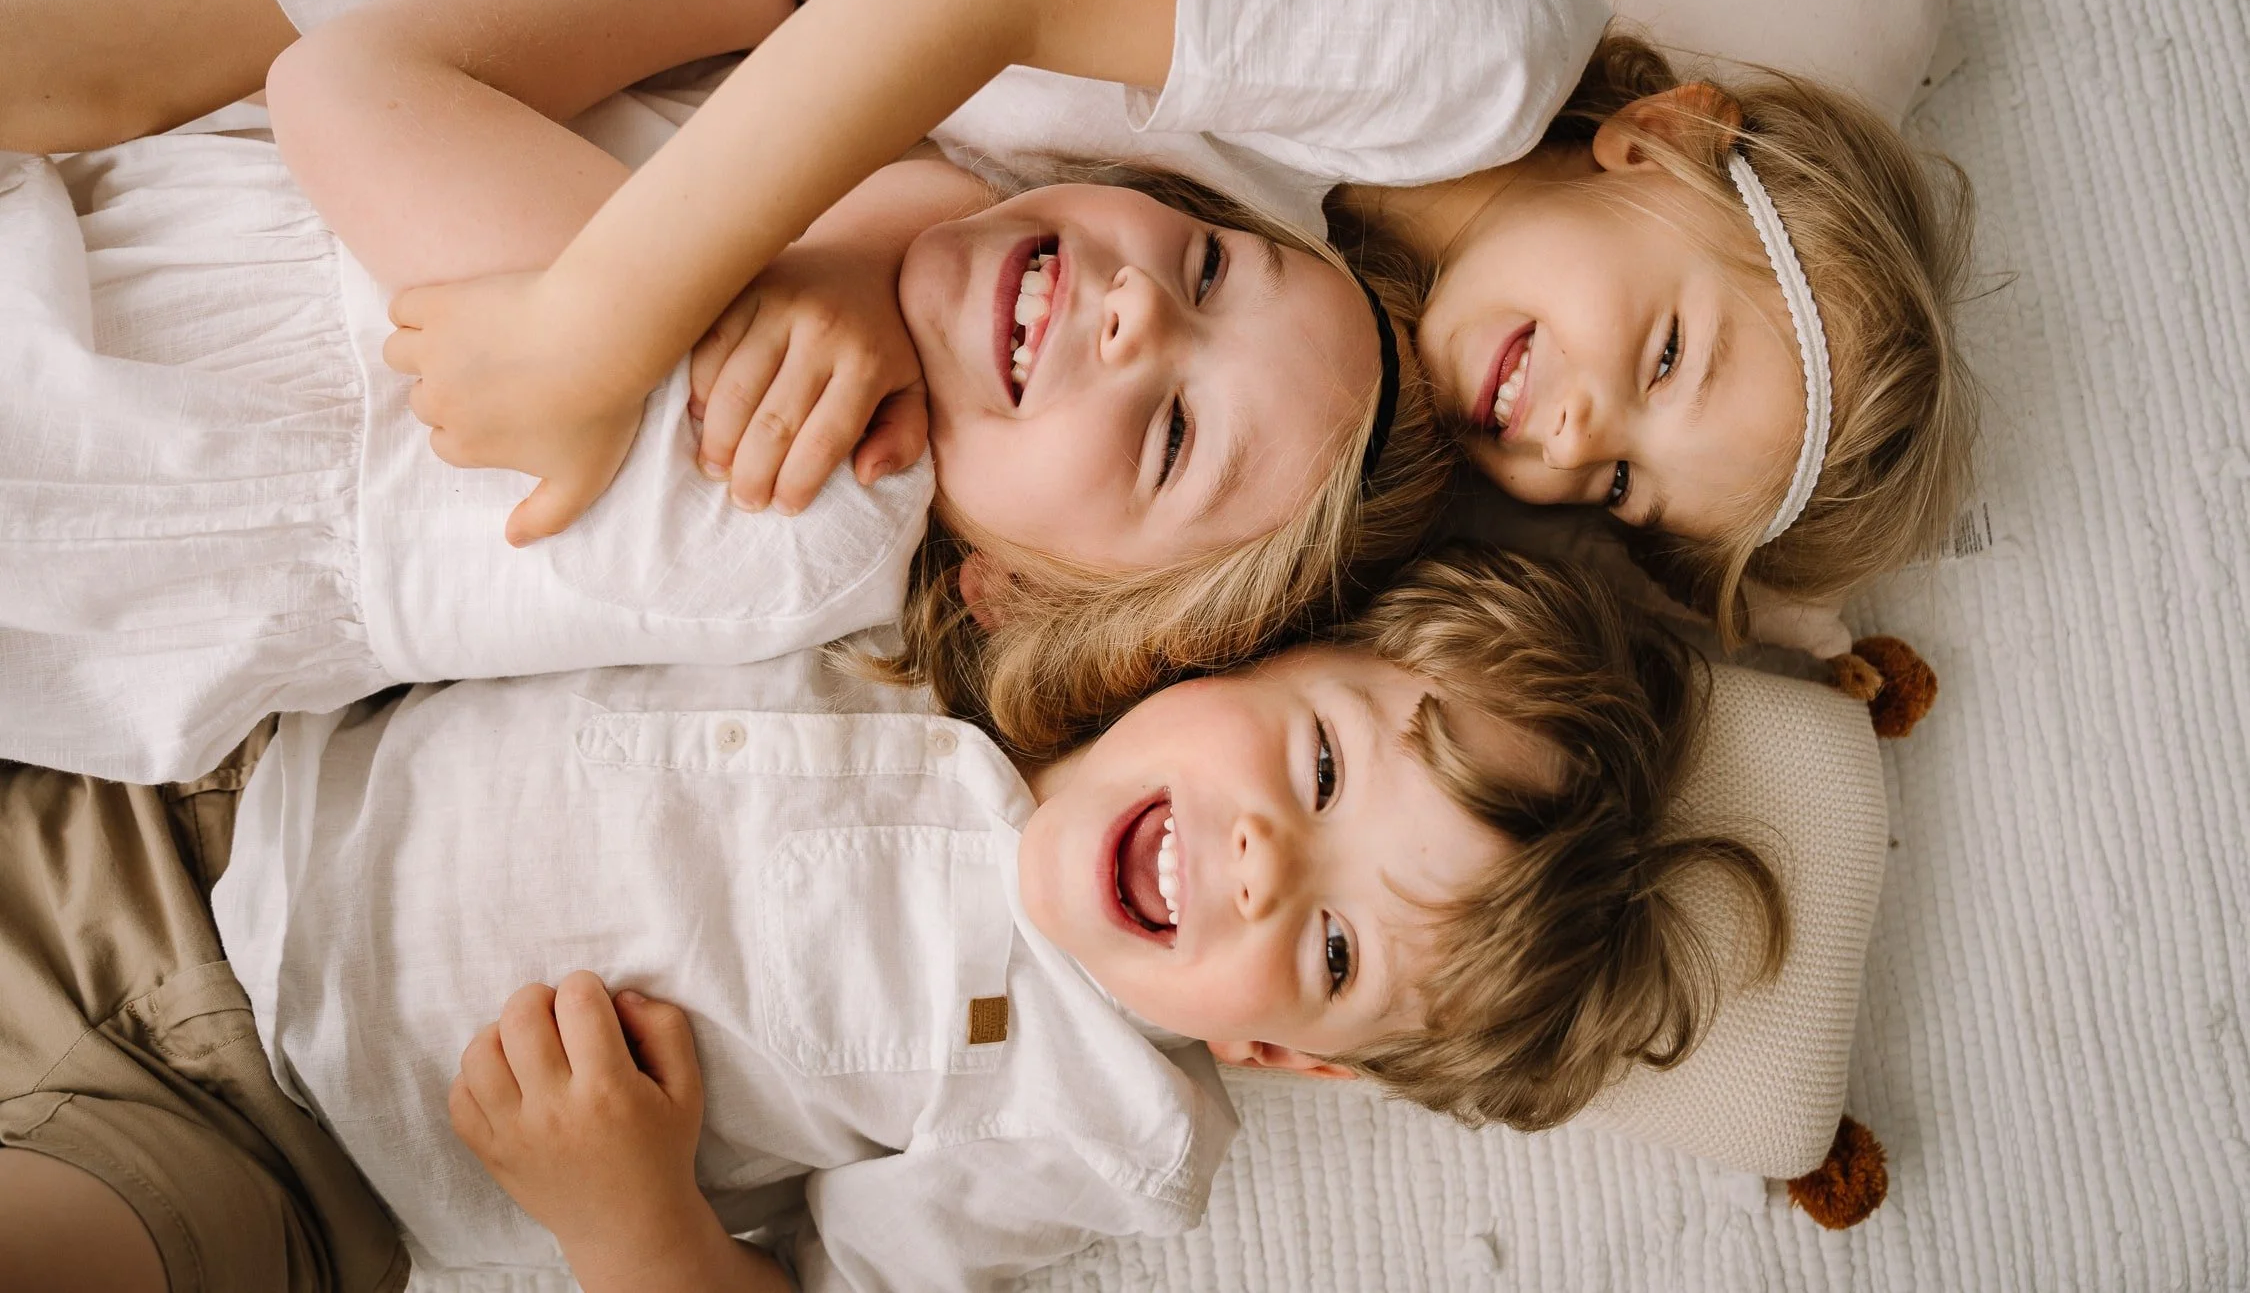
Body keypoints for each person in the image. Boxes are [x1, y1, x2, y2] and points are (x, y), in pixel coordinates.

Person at [0, 544, 1786, 1293]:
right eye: (1317, 766)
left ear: (1276, 1051)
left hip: (265, 1138)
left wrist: (637, 1223)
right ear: (1262, 647)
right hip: (200, 778)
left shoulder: (1088, 1125)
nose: (1258, 862)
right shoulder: (923, 617)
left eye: (1328, 951)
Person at [0, 0, 1448, 783]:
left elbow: (347, 85)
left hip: (76, 434)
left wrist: (752, 11)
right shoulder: (869, 234)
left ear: (1021, 598)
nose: (1139, 317)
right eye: (1206, 265)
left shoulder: (790, 480)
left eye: (1171, 438)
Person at [1338, 31, 1981, 641]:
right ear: (1656, 142)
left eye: (1619, 483)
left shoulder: (1351, 436)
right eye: (1667, 358)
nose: (1570, 447)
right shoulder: (1440, 53)